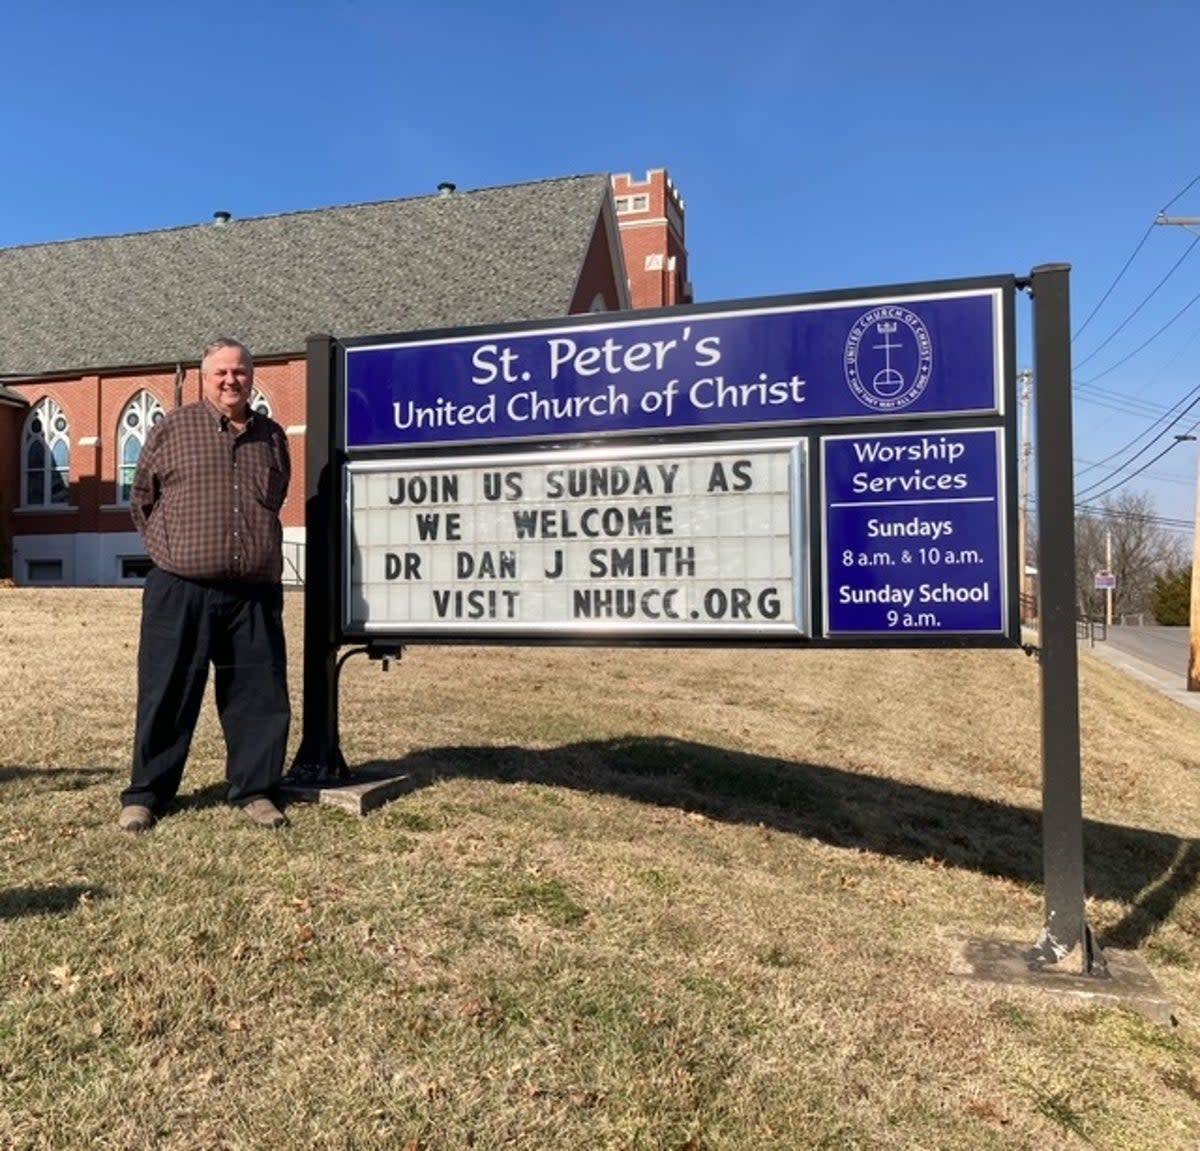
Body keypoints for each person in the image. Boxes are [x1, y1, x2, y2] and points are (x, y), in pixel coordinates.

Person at [118, 338, 292, 832]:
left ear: (251, 377)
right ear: (204, 377)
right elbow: (142, 498)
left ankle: (257, 790)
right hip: (180, 588)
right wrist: (169, 550)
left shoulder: (273, 437)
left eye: (239, 372)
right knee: (167, 692)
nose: (230, 380)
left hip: (253, 593)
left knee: (258, 696)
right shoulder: (173, 429)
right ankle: (146, 794)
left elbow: (275, 499)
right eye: (220, 373)